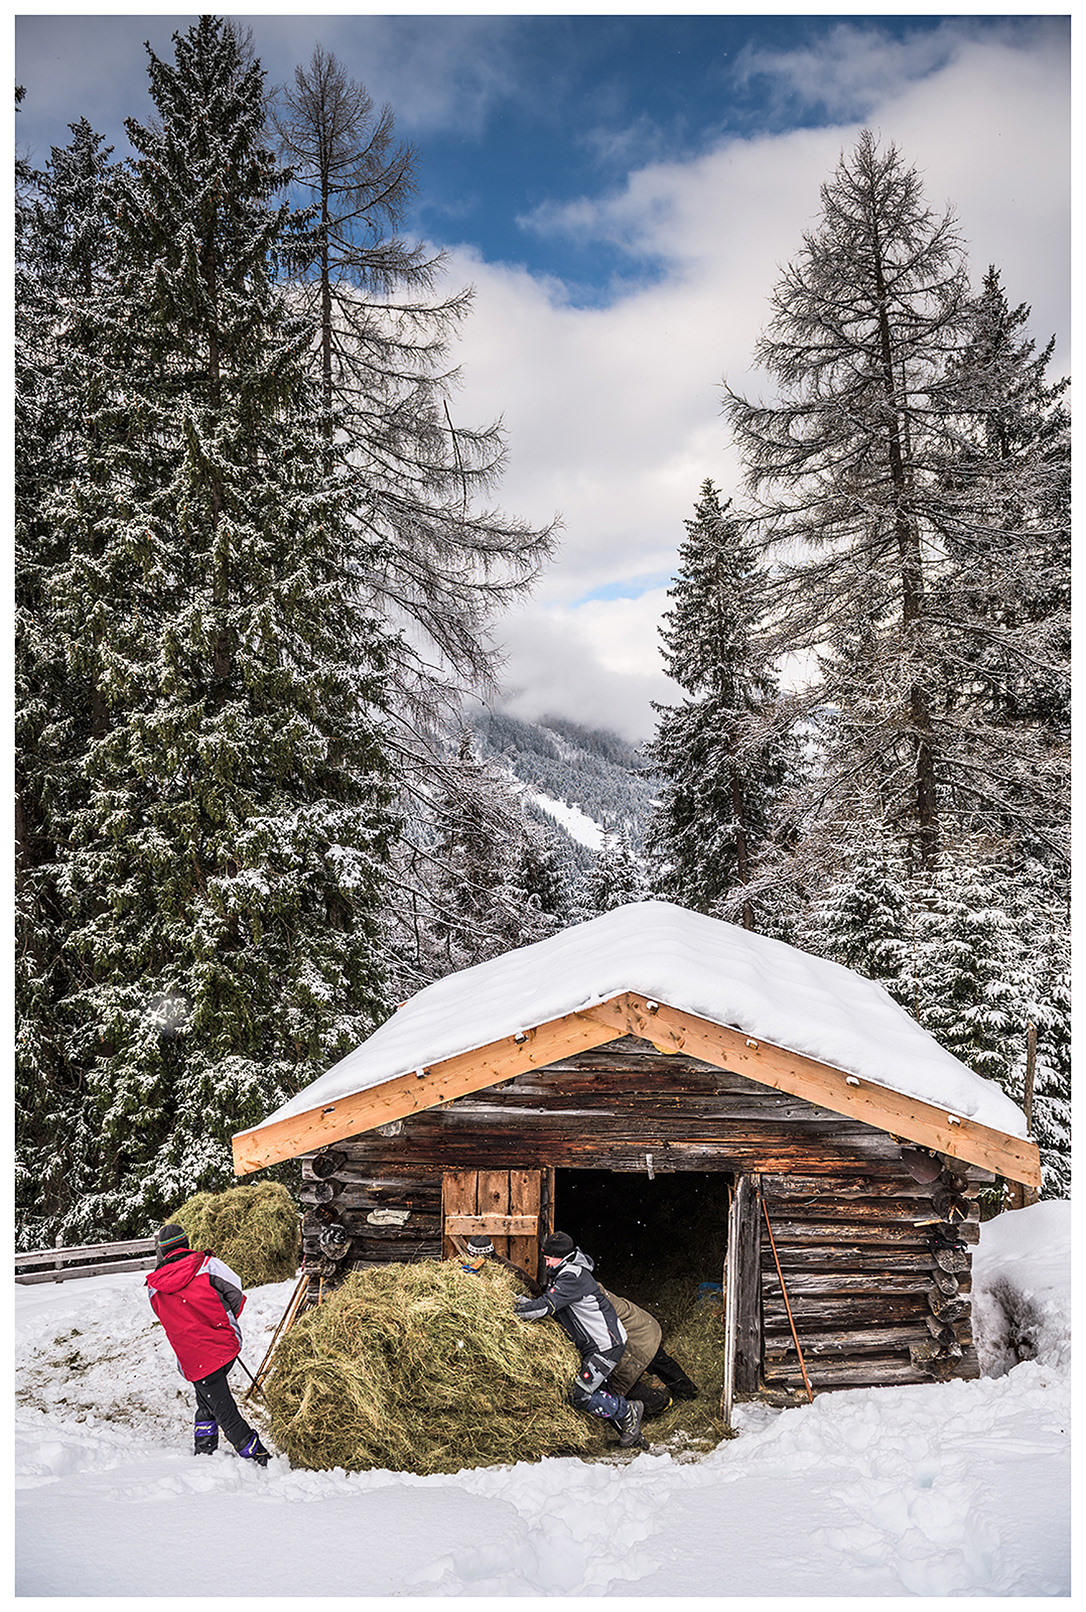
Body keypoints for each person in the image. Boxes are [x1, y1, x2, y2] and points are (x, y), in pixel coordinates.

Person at [145, 1222, 271, 1466]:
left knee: (221, 1406)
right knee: (213, 1398)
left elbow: (162, 1314)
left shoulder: (153, 1286)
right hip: (223, 1342)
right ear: (186, 1244)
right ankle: (210, 1448)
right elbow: (235, 1291)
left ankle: (257, 1456)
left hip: (192, 1355)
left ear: (161, 1251)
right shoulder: (207, 1265)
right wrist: (222, 1318)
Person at [513, 1231, 645, 1447]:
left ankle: (628, 1410)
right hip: (595, 1345)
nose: (546, 1263)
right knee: (602, 1392)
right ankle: (634, 1436)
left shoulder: (572, 1276)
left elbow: (546, 1307)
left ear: (563, 1256)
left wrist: (512, 1309)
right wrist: (524, 1302)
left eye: (549, 1258)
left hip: (605, 1346)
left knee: (580, 1394)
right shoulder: (564, 1272)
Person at [602, 1287, 699, 1416]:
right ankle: (685, 1393)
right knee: (655, 1361)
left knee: (624, 1381)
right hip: (635, 1329)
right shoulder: (582, 1283)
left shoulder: (584, 1292)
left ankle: (663, 1403)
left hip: (635, 1331)